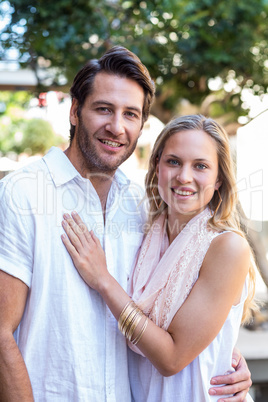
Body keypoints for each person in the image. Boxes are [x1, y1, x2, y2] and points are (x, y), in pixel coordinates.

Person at [0, 46, 251, 401]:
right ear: (75, 111)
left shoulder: (141, 205)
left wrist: (223, 357)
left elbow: (174, 321)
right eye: (104, 109)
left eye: (130, 114)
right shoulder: (21, 194)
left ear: (141, 126)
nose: (116, 127)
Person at [61, 114, 256, 402]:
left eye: (200, 166)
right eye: (173, 161)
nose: (184, 176)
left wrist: (103, 280)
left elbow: (171, 359)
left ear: (218, 180)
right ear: (157, 167)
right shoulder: (144, 229)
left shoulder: (226, 246)